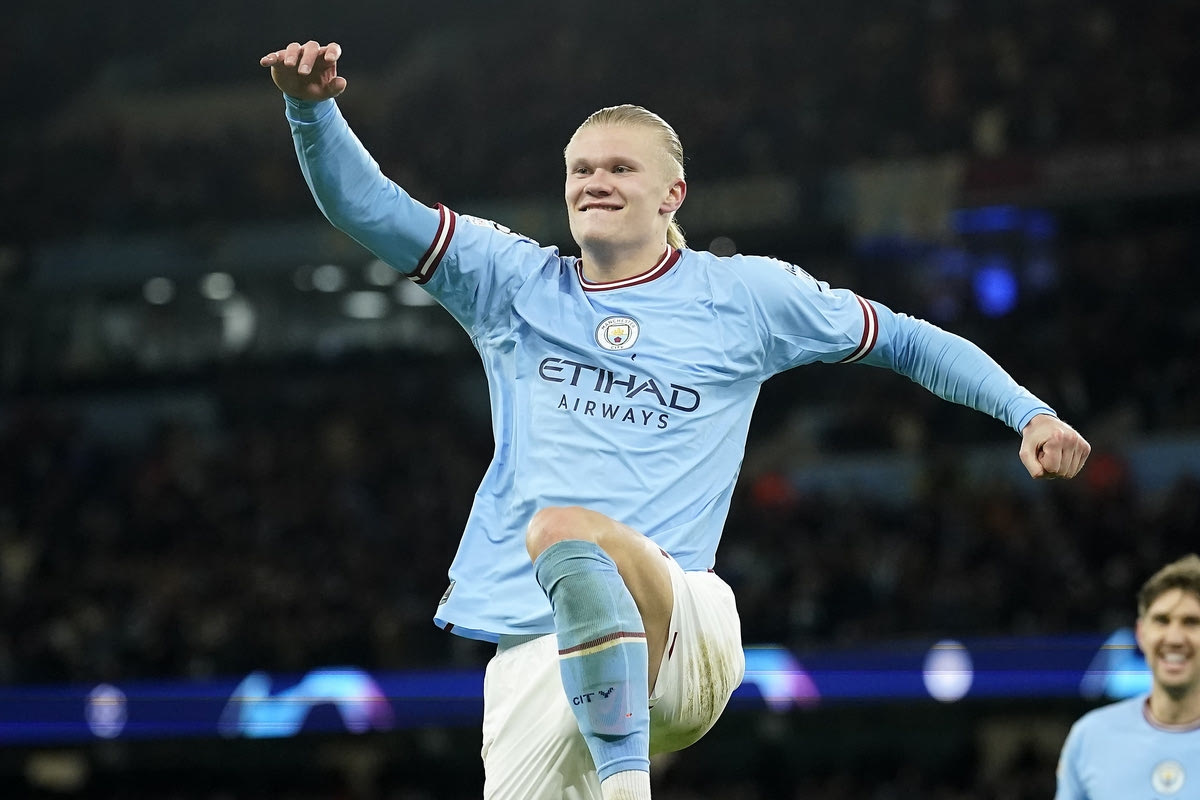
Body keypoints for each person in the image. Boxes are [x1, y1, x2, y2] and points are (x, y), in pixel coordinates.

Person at [259, 40, 1091, 800]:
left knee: (563, 528)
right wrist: (310, 109)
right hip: (535, 654)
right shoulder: (510, 284)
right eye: (581, 169)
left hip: (682, 628)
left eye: (620, 168)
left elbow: (904, 339)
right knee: (559, 548)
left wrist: (1027, 412)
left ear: (672, 194)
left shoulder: (744, 295)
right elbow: (370, 208)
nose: (595, 182)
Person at [1055, 554, 1200, 799]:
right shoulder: (1090, 737)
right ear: (1141, 634)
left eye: (1192, 622)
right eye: (1162, 621)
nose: (1174, 638)